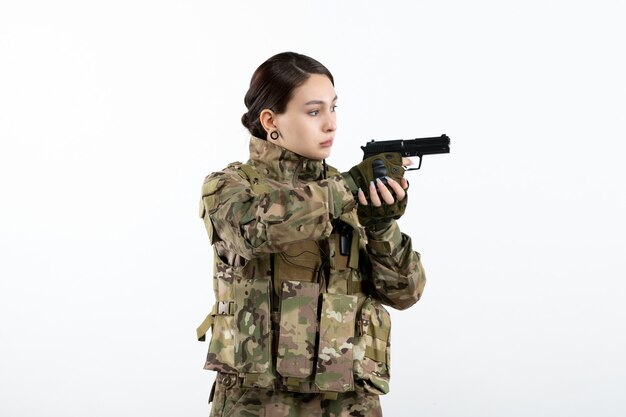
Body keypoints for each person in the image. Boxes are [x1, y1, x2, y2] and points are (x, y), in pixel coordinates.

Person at [197, 52, 426, 417]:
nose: (331, 124)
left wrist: (381, 226)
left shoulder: (347, 192)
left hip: (348, 401)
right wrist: (348, 188)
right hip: (258, 403)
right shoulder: (229, 188)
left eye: (334, 108)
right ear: (271, 120)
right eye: (314, 111)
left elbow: (404, 293)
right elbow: (254, 231)